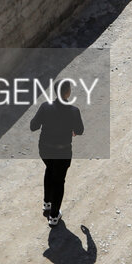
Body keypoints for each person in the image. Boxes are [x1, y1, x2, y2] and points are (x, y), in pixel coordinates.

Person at [30, 79, 84, 227]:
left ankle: (47, 203)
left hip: (45, 150)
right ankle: (54, 216)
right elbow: (79, 130)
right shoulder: (73, 111)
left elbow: (33, 126)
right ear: (67, 92)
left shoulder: (45, 107)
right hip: (63, 152)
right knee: (59, 181)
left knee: (50, 170)